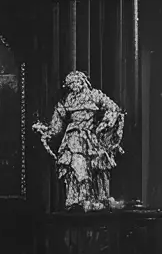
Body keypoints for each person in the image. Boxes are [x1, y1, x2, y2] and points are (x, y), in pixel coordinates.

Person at [35, 70, 125, 211]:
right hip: (72, 138)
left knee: (98, 165)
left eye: (75, 82)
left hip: (91, 137)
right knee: (76, 166)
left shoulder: (95, 95)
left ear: (82, 81)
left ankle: (99, 198)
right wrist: (46, 131)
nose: (73, 86)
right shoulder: (66, 100)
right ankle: (79, 199)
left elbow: (113, 108)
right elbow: (57, 125)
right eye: (70, 84)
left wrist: (105, 124)